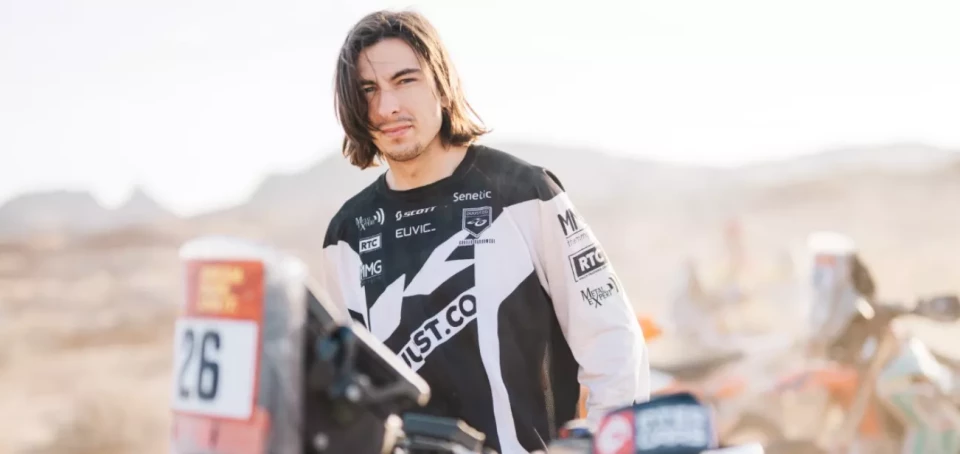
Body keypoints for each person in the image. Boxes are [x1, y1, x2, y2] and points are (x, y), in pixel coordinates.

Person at [320, 10, 649, 453]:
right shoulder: (347, 237)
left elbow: (614, 344)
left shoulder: (525, 194)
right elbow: (352, 394)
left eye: (405, 80)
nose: (386, 106)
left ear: (441, 84)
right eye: (368, 90)